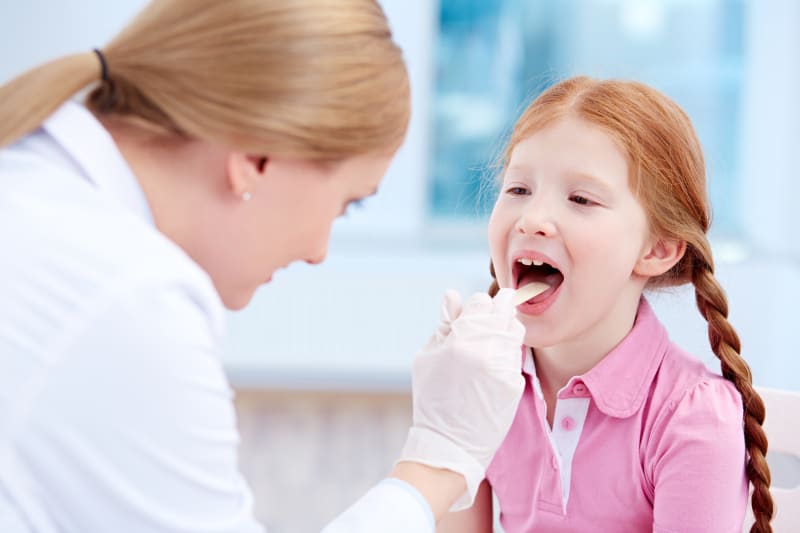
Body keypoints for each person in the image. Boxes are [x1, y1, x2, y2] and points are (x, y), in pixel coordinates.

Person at [0, 1, 527, 532]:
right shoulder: (129, 299)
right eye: (347, 203)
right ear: (257, 157)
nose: (318, 250)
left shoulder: (37, 190)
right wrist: (439, 458)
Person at [436, 76, 774, 533]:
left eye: (580, 198)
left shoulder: (692, 419)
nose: (533, 219)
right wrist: (444, 417)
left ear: (656, 249)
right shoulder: (482, 379)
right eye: (518, 190)